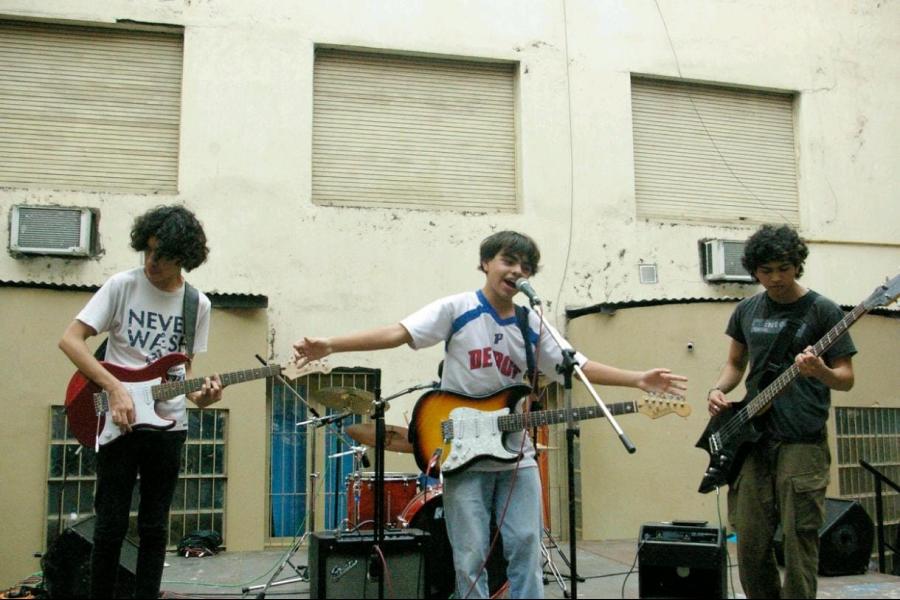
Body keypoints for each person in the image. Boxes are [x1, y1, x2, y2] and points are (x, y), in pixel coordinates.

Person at [293, 230, 687, 599]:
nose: (516, 271)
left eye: (526, 267)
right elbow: (399, 333)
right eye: (508, 261)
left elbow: (576, 365)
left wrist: (638, 379)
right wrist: (331, 345)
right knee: (471, 554)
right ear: (486, 263)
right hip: (462, 451)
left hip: (516, 453)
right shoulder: (458, 308)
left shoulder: (530, 322)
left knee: (526, 546)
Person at [59, 205, 223, 599]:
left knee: (154, 526)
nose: (152, 262)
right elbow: (70, 340)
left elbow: (180, 374)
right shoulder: (122, 286)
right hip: (119, 419)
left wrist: (203, 396)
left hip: (168, 425)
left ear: (183, 257)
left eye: (162, 255)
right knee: (110, 524)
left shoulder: (196, 305)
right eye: (147, 251)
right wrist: (113, 387)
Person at [707, 224, 855, 599]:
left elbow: (846, 377)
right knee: (751, 543)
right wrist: (718, 389)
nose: (775, 278)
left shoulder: (822, 310)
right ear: (754, 270)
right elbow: (735, 364)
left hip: (801, 441)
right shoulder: (746, 309)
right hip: (752, 440)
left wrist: (820, 371)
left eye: (784, 269)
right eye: (766, 270)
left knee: (798, 539)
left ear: (797, 266)